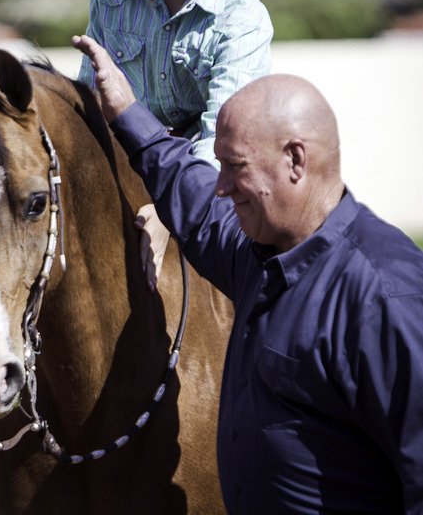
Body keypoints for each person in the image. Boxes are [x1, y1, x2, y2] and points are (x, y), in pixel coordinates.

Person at [73, 33, 423, 515]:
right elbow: (188, 191)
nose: (220, 187)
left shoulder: (384, 293)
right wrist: (127, 109)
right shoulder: (258, 249)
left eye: (234, 166)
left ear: (295, 160)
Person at [78, 0, 305, 288]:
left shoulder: (244, 19)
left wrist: (171, 211)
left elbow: (222, 142)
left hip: (207, 189)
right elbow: (89, 102)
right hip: (113, 175)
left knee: (266, 289)